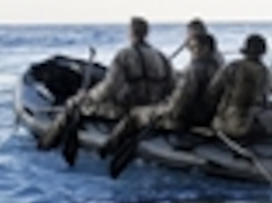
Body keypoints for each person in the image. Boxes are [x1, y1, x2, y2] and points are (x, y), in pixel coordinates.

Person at [39, 16, 174, 149]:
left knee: (73, 104)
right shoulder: (162, 58)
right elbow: (171, 88)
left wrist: (88, 97)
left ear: (130, 32)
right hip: (150, 111)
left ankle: (46, 143)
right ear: (147, 33)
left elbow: (109, 88)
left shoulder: (124, 56)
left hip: (122, 111)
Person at [100, 32, 222, 156]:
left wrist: (162, 111)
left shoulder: (194, 70)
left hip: (183, 119)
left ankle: (107, 148)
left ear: (207, 47)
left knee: (135, 114)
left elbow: (179, 104)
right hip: (204, 117)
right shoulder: (218, 66)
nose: (192, 51)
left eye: (196, 47)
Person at [204, 33, 272, 138]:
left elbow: (212, 91)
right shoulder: (268, 73)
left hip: (222, 124)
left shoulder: (231, 67)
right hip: (248, 126)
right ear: (263, 52)